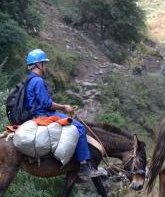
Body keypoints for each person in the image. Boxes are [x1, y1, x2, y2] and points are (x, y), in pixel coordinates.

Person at [23, 49, 105, 181]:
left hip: (37, 114)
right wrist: (64, 108)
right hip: (44, 115)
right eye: (44, 63)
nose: (46, 66)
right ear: (39, 64)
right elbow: (47, 104)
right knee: (79, 127)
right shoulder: (38, 81)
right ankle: (84, 166)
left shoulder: (29, 80)